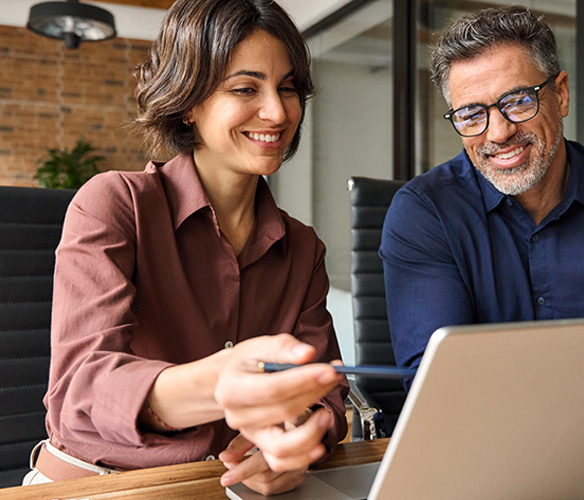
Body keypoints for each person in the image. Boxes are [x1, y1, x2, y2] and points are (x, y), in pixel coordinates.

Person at [34, 0, 348, 495]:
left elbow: (326, 390)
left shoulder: (303, 247)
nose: (277, 110)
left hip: (227, 487)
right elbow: (80, 387)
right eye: (246, 88)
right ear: (188, 101)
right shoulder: (115, 204)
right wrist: (214, 386)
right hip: (101, 485)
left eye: (287, 88)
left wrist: (295, 443)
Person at [382, 5, 584, 385]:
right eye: (470, 114)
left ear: (560, 95)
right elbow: (437, 383)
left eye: (517, 101)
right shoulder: (425, 214)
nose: (497, 133)